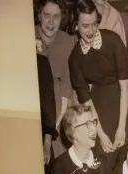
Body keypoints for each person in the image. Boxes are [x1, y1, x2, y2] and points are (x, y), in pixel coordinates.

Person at [68, 0, 128, 157]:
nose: (91, 30)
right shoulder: (75, 58)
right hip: (98, 105)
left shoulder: (113, 41)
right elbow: (87, 100)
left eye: (94, 24)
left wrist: (122, 128)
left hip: (123, 100)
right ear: (75, 26)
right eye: (85, 26)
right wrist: (101, 134)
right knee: (104, 153)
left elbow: (125, 86)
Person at [34, 0, 76, 160]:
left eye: (56, 16)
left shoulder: (68, 42)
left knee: (59, 157)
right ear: (39, 15)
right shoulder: (27, 35)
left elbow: (67, 83)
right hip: (36, 102)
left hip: (61, 104)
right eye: (46, 15)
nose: (51, 22)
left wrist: (59, 121)